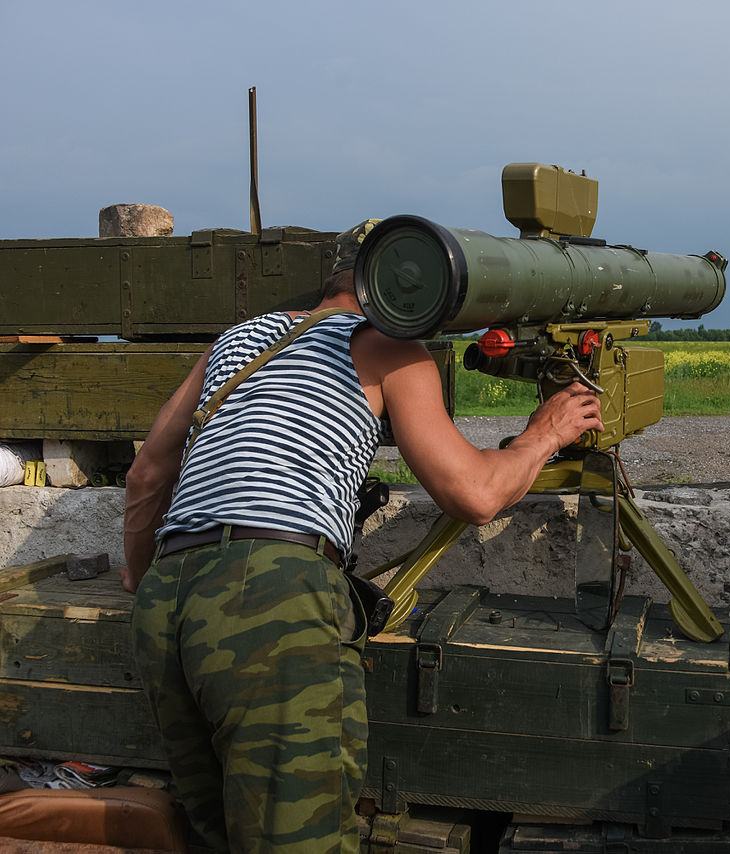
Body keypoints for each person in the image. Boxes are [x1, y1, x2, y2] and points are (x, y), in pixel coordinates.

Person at [122, 219, 602, 853]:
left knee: (216, 834)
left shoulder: (236, 341)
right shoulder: (386, 347)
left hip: (167, 601)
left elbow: (148, 472)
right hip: (269, 600)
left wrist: (143, 581)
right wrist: (545, 434)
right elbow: (474, 495)